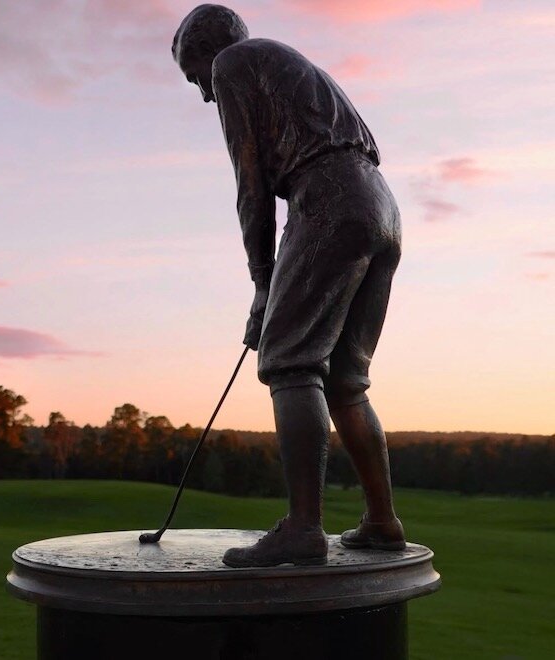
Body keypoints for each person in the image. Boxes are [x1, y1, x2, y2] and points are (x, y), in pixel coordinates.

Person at [172, 4, 406, 567]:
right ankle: (382, 522)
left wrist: (262, 284)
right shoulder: (292, 66)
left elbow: (250, 186)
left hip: (328, 198)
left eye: (194, 76)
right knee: (346, 380)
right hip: (381, 207)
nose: (204, 93)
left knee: (289, 363)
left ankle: (303, 529)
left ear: (207, 52)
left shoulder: (233, 63)